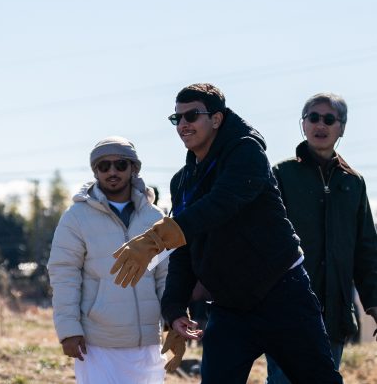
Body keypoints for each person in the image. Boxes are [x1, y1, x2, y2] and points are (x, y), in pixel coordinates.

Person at [110, 83, 343, 383]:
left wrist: (156, 238)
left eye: (192, 115)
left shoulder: (247, 153)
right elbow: (184, 249)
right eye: (176, 118)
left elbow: (221, 203)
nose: (183, 124)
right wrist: (175, 309)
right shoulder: (183, 181)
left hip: (284, 295)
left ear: (216, 119)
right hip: (229, 307)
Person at [266, 93, 377, 383]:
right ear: (303, 124)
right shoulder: (281, 174)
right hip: (287, 314)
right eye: (313, 117)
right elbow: (261, 242)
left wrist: (374, 304)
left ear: (342, 127)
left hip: (335, 316)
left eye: (329, 119)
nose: (320, 124)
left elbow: (366, 252)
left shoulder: (353, 182)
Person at [48, 137, 169, 383]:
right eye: (104, 166)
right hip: (97, 343)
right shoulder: (76, 218)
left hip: (146, 342)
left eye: (121, 165)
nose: (112, 171)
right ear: (95, 171)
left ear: (134, 168)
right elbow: (64, 275)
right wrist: (69, 330)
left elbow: (166, 273)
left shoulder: (155, 217)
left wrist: (174, 316)